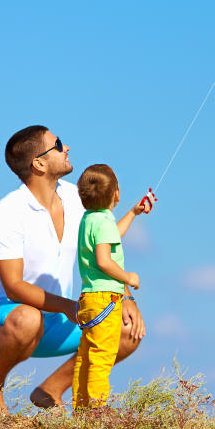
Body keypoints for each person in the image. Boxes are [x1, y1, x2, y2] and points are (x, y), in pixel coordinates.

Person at [0, 125, 148, 412]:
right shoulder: (8, 211)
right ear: (39, 163)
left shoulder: (79, 199)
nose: (66, 148)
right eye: (58, 144)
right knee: (28, 318)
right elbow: (14, 288)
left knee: (126, 330)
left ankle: (50, 390)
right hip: (0, 317)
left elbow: (102, 248)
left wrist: (125, 296)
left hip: (57, 319)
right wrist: (67, 306)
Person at [70, 164, 146, 409]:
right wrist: (127, 278)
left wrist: (133, 213)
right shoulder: (102, 223)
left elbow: (113, 234)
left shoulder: (91, 219)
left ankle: (81, 411)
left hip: (90, 298)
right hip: (106, 299)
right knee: (101, 359)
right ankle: (96, 415)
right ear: (116, 194)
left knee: (86, 355)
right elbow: (104, 260)